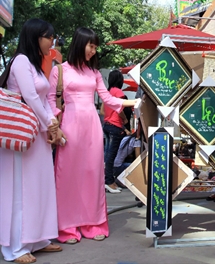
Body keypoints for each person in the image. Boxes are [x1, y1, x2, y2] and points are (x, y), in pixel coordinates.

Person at [47, 27, 139, 244]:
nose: (93, 50)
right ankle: (67, 227)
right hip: (68, 126)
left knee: (92, 174)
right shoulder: (60, 71)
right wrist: (55, 126)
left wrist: (132, 102)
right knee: (67, 176)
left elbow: (107, 98)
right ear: (80, 44)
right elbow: (51, 100)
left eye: (95, 46)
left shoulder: (94, 73)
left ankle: (93, 223)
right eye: (91, 45)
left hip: (92, 127)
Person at [0, 19, 64, 264]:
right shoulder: (21, 61)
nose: (52, 42)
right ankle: (15, 248)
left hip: (38, 135)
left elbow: (43, 98)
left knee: (38, 188)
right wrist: (51, 122)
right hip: (23, 135)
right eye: (50, 37)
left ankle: (36, 239)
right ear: (37, 37)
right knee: (20, 190)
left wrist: (51, 123)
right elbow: (29, 97)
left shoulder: (35, 65)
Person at [102, 70, 131, 193]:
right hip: (115, 126)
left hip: (107, 125)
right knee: (112, 156)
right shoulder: (118, 92)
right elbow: (119, 106)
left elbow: (102, 111)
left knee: (107, 155)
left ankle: (107, 180)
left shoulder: (108, 92)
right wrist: (124, 120)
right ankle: (109, 181)